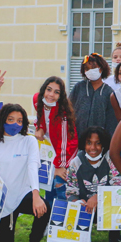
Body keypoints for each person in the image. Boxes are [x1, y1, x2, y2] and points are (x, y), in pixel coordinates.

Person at [0, 104, 55, 242]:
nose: (15, 124)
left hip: (22, 195)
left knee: (44, 207)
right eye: (11, 119)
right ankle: (2, 224)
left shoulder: (29, 141)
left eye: (20, 121)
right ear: (2, 121)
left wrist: (36, 195)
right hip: (0, 202)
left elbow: (32, 167)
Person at [65, 126, 121, 242]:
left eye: (98, 143)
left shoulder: (110, 158)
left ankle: (114, 238)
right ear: (84, 144)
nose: (93, 148)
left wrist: (98, 197)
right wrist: (77, 202)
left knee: (119, 198)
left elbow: (118, 184)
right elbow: (71, 191)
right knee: (71, 207)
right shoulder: (75, 163)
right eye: (89, 143)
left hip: (105, 204)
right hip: (85, 206)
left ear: (104, 144)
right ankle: (80, 236)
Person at [33, 76, 78, 208]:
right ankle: (49, 223)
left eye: (56, 92)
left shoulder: (62, 115)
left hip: (65, 155)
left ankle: (62, 222)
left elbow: (65, 143)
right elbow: (40, 118)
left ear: (61, 96)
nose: (51, 95)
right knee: (49, 190)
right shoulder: (38, 101)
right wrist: (39, 127)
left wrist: (59, 167)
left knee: (60, 189)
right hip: (51, 154)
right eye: (49, 90)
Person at [70, 53, 118, 137]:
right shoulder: (79, 87)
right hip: (76, 137)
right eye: (87, 69)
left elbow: (112, 120)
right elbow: (68, 109)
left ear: (101, 68)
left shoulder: (108, 92)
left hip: (98, 140)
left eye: (94, 67)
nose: (90, 71)